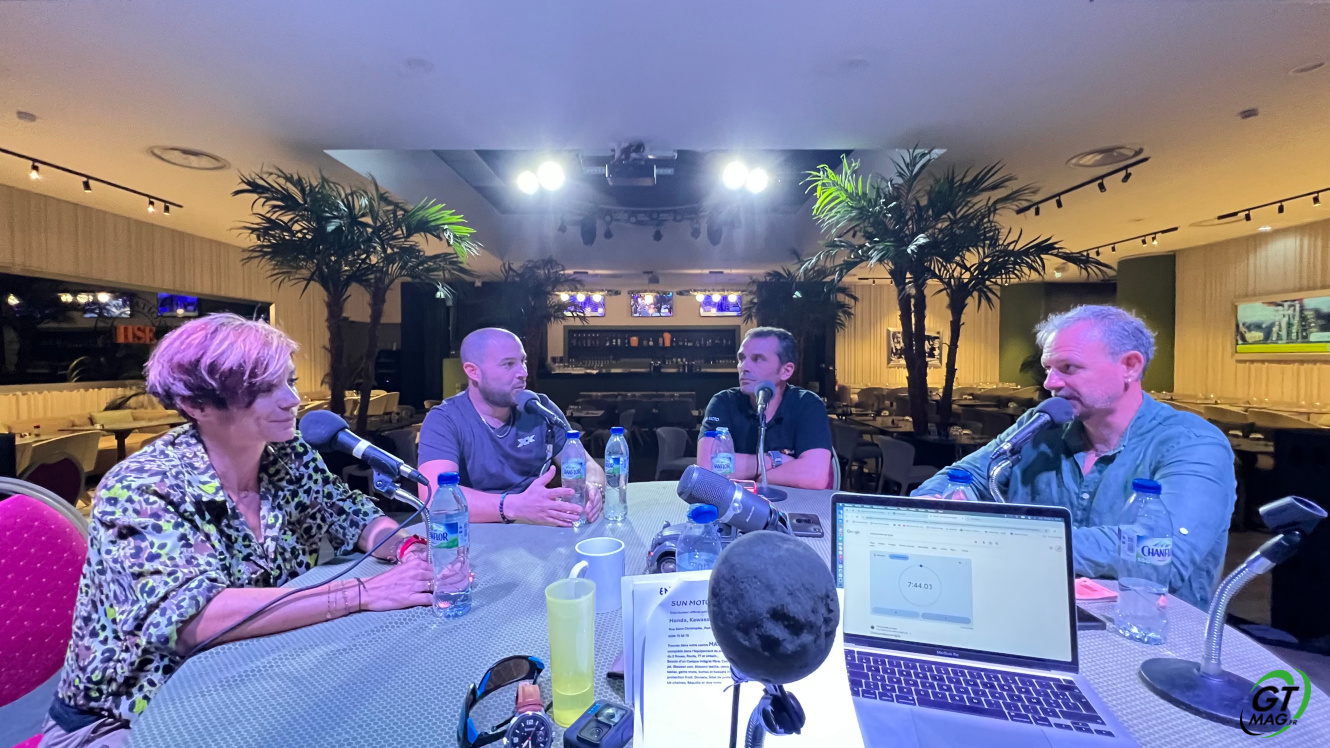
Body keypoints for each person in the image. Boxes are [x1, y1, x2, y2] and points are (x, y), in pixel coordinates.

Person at [42, 314, 451, 748]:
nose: (292, 400)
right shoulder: (142, 486)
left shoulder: (289, 454)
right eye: (265, 389)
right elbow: (195, 621)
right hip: (127, 718)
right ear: (197, 405)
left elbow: (353, 514)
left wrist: (408, 547)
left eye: (290, 381)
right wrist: (363, 594)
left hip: (248, 679)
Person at [912, 305, 1236, 608]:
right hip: (1037, 612)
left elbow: (1164, 554)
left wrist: (1007, 538)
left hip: (1148, 629)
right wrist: (944, 504)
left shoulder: (1193, 444)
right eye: (1048, 369)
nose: (1051, 383)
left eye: (1068, 368)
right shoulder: (1041, 426)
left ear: (1129, 366)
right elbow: (961, 478)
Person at [417, 327, 604, 527]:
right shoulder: (444, 420)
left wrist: (593, 488)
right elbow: (435, 497)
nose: (523, 373)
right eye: (508, 364)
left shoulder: (540, 409)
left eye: (523, 362)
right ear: (473, 372)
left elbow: (587, 464)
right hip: (473, 535)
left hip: (535, 528)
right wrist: (516, 506)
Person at [698, 327, 834, 490]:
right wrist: (774, 460)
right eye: (742, 358)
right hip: (736, 502)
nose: (743, 367)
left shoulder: (808, 404)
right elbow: (707, 469)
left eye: (757, 359)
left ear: (786, 371)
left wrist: (760, 478)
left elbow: (814, 476)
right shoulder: (723, 402)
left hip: (794, 502)